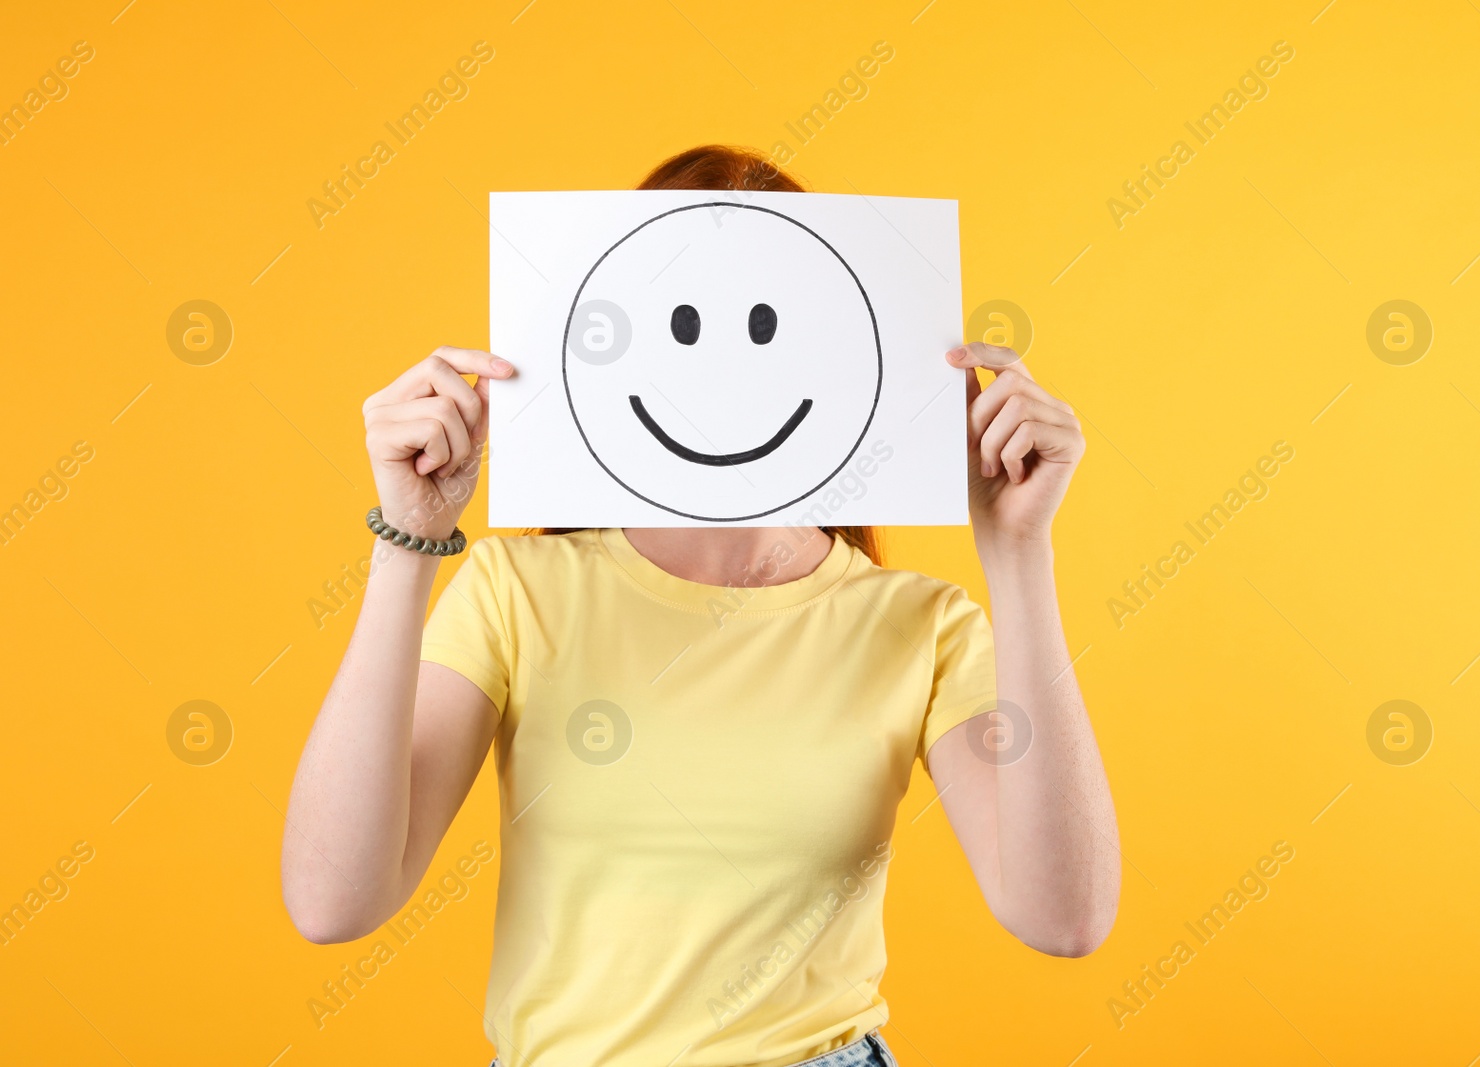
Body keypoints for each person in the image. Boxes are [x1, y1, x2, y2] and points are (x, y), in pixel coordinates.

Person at [281, 145, 1119, 1067]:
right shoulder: (517, 594)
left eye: (766, 324)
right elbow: (333, 901)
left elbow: (1064, 916)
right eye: (682, 322)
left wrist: (1018, 553)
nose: (727, 370)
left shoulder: (918, 623)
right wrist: (407, 539)